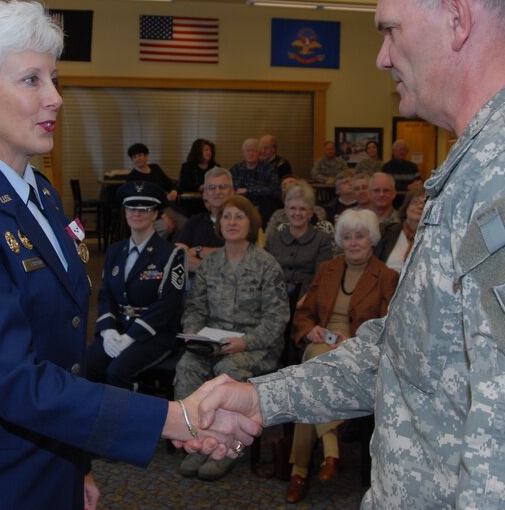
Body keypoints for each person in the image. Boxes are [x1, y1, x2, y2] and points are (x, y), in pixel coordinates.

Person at [191, 0, 505, 507]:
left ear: (456, 17)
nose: (383, 56)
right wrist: (265, 398)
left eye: (390, 29)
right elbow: (408, 352)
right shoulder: (487, 160)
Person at [0, 0, 255, 510]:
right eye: (31, 80)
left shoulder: (41, 193)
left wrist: (74, 463)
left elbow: (61, 349)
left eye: (53, 79)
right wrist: (177, 418)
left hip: (45, 457)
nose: (55, 98)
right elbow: (11, 377)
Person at [284, 209, 399, 504]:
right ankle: (330, 450)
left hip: (358, 350)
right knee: (315, 362)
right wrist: (310, 331)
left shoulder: (387, 277)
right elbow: (305, 313)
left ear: (371, 239)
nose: (353, 242)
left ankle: (299, 470)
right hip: (321, 345)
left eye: (359, 236)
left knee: (307, 381)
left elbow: (390, 327)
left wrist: (357, 341)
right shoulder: (328, 269)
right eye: (347, 237)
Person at [175, 195, 289, 481]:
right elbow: (195, 308)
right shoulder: (210, 263)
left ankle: (228, 447)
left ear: (251, 223)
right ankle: (199, 441)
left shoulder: (266, 264)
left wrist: (243, 343)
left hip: (256, 344)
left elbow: (277, 319)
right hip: (213, 342)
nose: (232, 222)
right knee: (187, 366)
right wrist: (195, 336)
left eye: (239, 216)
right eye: (227, 216)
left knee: (229, 372)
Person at [86, 181, 185, 390]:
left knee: (117, 372)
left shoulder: (171, 254)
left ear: (155, 214)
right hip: (119, 327)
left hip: (155, 333)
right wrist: (107, 330)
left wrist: (131, 337)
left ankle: (125, 420)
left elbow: (169, 304)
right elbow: (106, 296)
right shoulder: (114, 251)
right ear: (125, 211)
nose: (137, 214)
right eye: (132, 208)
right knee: (88, 365)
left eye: (145, 209)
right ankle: (96, 419)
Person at [264, 180, 335, 295]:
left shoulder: (322, 240)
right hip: (274, 300)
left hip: (308, 301)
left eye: (302, 209)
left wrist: (302, 303)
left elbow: (322, 280)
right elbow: (265, 275)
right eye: (292, 208)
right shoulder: (273, 238)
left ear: (311, 213)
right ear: (286, 211)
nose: (297, 213)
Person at [175, 167, 234, 274]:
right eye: (211, 187)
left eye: (223, 187)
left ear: (232, 192)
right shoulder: (195, 221)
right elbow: (178, 255)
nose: (217, 191)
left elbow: (239, 257)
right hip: (194, 287)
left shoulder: (242, 222)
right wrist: (206, 267)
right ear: (205, 194)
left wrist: (199, 251)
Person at [125, 142, 184, 239]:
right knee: (165, 227)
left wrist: (174, 191)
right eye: (134, 157)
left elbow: (170, 184)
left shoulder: (155, 168)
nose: (138, 158)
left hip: (165, 207)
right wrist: (163, 216)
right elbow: (141, 203)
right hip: (148, 211)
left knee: (185, 225)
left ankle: (174, 250)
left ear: (146, 156)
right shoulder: (132, 178)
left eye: (140, 155)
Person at [230, 138, 281, 228]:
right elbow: (230, 188)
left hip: (262, 210)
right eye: (248, 151)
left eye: (254, 151)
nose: (251, 153)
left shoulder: (268, 169)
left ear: (259, 153)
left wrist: (248, 191)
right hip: (239, 208)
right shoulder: (236, 169)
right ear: (243, 153)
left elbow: (275, 190)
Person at [374, 186, 426, 272]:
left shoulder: (434, 239)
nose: (420, 206)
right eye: (415, 202)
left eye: (425, 203)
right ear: (406, 207)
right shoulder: (385, 232)